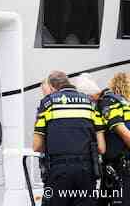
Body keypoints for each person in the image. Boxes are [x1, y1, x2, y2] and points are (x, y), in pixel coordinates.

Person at [33, 71, 105, 206]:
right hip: (86, 172)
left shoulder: (48, 103)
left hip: (58, 172)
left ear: (53, 87)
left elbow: (37, 146)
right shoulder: (90, 103)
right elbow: (101, 147)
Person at [97, 72, 130, 206]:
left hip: (119, 167)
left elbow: (124, 133)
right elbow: (124, 133)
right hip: (120, 169)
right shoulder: (117, 102)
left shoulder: (113, 102)